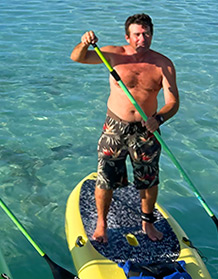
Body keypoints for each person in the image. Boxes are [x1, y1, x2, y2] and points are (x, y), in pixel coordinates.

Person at [69, 14, 179, 244]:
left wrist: (159, 118)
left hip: (147, 129)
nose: (142, 39)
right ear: (127, 37)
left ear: (152, 35)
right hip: (115, 127)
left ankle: (147, 222)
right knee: (105, 178)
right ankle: (102, 223)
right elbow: (77, 57)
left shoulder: (163, 64)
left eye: (146, 34)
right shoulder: (113, 54)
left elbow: (173, 102)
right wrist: (84, 43)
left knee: (149, 179)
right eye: (137, 34)